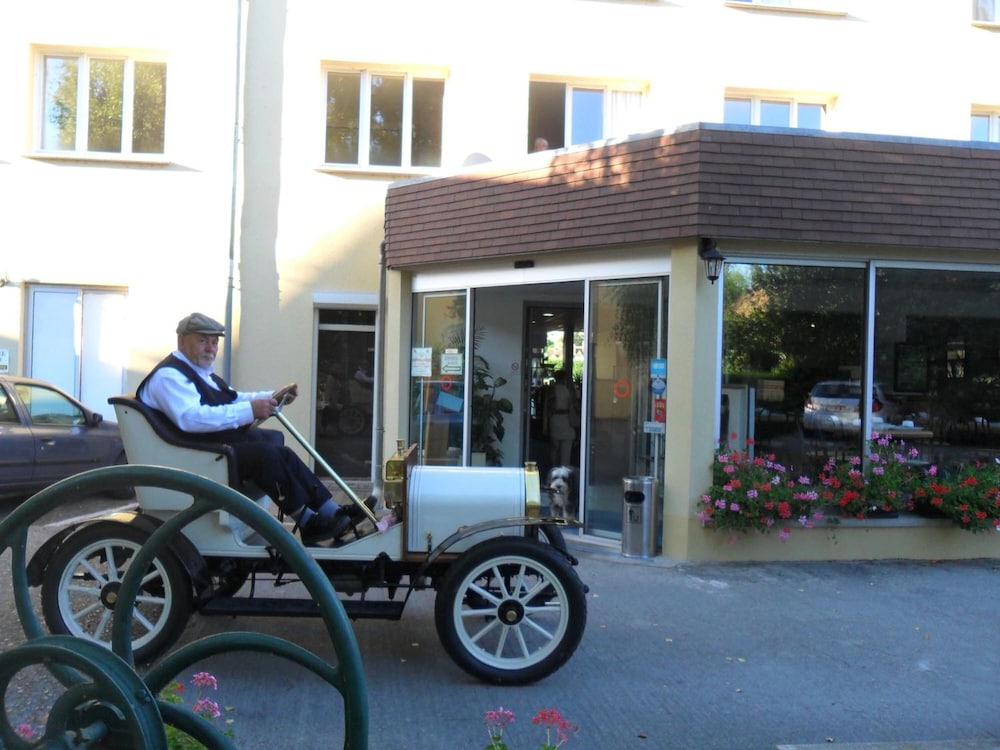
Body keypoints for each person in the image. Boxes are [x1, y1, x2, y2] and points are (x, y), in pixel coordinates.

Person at [137, 312, 353, 545]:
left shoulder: (200, 373)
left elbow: (234, 398)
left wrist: (271, 397)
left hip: (207, 450)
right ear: (182, 340)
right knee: (266, 455)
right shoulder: (169, 377)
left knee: (279, 448)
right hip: (192, 458)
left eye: (214, 342)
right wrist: (250, 410)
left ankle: (332, 512)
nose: (210, 348)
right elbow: (191, 418)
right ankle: (307, 521)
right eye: (202, 340)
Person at [544, 369, 578, 467]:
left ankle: (554, 468)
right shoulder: (570, 391)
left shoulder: (551, 391)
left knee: (555, 448)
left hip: (555, 420)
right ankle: (564, 469)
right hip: (568, 421)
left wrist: (545, 426)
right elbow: (575, 405)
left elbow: (546, 410)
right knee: (566, 450)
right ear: (565, 378)